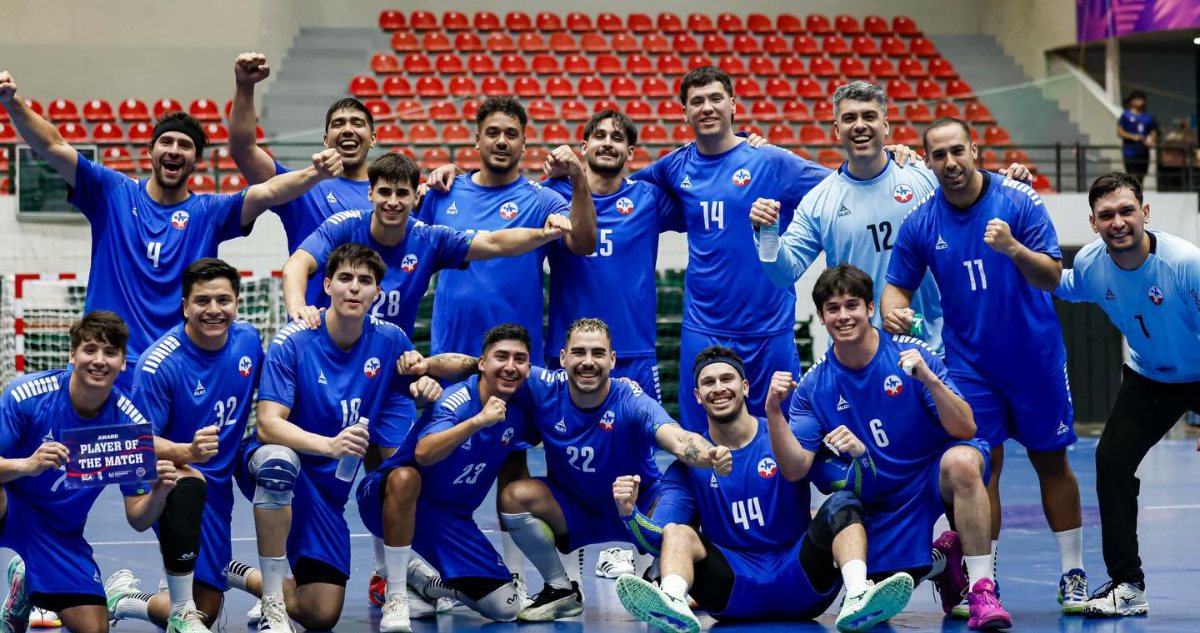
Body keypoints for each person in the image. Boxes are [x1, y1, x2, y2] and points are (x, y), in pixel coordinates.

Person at [0, 70, 344, 391]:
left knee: (173, 457)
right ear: (150, 151)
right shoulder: (112, 192)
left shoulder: (210, 212)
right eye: (167, 142)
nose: (174, 150)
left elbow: (267, 191)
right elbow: (54, 145)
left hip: (177, 372)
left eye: (185, 145)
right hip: (108, 366)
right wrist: (12, 103)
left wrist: (314, 175)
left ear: (196, 161)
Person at [882, 117, 1088, 614]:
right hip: (970, 365)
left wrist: (1013, 248)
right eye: (939, 156)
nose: (950, 163)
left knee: (1051, 461)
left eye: (958, 152)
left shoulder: (1019, 200)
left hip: (1034, 359)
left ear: (974, 150)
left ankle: (1073, 574)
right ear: (927, 162)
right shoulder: (921, 222)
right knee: (981, 467)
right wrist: (892, 310)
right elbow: (896, 287)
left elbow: (1052, 275)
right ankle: (983, 578)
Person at [221, 244, 444, 633]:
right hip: (280, 466)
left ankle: (242, 575)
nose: (354, 288)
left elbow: (419, 385)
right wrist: (329, 445)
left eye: (365, 281)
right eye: (345, 278)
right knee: (278, 462)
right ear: (326, 286)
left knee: (320, 614)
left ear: (378, 292)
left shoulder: (391, 341)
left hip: (328, 496)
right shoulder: (293, 341)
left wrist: (425, 381)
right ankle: (274, 603)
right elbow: (268, 425)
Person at [613, 345, 914, 633]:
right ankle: (673, 601)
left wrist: (861, 457)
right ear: (697, 395)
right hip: (731, 593)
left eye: (726, 378)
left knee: (843, 503)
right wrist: (629, 514)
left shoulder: (786, 438)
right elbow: (658, 540)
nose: (718, 388)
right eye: (708, 382)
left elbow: (855, 490)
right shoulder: (687, 468)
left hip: (803, 581)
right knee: (678, 532)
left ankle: (858, 593)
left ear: (745, 386)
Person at [779, 265, 1007, 630]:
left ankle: (982, 588)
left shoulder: (911, 355)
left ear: (870, 309)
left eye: (852, 305)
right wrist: (774, 411)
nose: (843, 316)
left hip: (933, 472)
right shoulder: (813, 386)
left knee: (963, 461)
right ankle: (940, 561)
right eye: (833, 309)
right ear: (820, 317)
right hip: (881, 496)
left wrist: (930, 379)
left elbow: (966, 427)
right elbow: (796, 468)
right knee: (890, 587)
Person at [752, 80, 1032, 355]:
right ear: (837, 130)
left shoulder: (922, 175)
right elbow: (782, 274)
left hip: (937, 347)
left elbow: (978, 208)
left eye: (869, 116)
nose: (860, 125)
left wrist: (1017, 189)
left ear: (885, 125)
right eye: (849, 118)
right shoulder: (818, 201)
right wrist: (765, 232)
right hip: (862, 357)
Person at [620, 66, 827, 432]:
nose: (707, 107)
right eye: (696, 101)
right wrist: (566, 179)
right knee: (701, 435)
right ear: (684, 113)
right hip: (705, 325)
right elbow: (619, 189)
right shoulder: (675, 165)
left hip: (770, 326)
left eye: (716, 98)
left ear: (733, 105)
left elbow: (842, 184)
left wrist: (887, 157)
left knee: (781, 430)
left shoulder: (771, 160)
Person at [498, 318, 733, 621]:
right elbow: (492, 368)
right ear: (563, 357)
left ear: (612, 359)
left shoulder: (630, 400)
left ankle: (658, 576)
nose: (587, 362)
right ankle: (561, 588)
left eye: (597, 353)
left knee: (685, 492)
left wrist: (711, 456)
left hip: (638, 506)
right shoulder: (544, 387)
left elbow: (677, 438)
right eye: (579, 352)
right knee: (514, 497)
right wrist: (429, 368)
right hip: (572, 508)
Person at [1054, 172, 1200, 618]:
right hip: (1151, 378)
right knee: (1112, 462)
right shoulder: (1090, 264)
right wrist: (1010, 258)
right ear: (1093, 223)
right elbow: (1062, 284)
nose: (1118, 222)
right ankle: (1127, 584)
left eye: (1126, 211)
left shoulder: (1185, 263)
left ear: (1146, 213)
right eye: (1106, 215)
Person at [102, 259, 264, 633]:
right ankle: (124, 599)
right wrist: (184, 453)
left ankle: (220, 570)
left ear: (237, 302)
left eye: (223, 300)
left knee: (207, 609)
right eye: (202, 301)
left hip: (218, 481)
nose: (213, 310)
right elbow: (136, 443)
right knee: (197, 616)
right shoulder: (159, 364)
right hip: (170, 476)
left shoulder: (248, 341)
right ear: (185, 305)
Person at [0, 312, 180, 633]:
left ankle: (25, 584)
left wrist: (160, 492)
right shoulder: (26, 395)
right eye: (90, 350)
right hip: (10, 507)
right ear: (72, 355)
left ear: (123, 362)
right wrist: (26, 465)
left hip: (59, 535)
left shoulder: (128, 425)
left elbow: (138, 518)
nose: (99, 360)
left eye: (110, 352)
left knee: (94, 629)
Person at [356, 324, 541, 631]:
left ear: (529, 367)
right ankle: (396, 595)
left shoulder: (519, 409)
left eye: (519, 359)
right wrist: (477, 422)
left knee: (505, 607)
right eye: (501, 357)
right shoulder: (455, 400)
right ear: (482, 363)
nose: (510, 366)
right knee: (406, 478)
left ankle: (426, 583)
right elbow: (424, 453)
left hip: (451, 519)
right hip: (387, 498)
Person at [416, 96, 596, 363]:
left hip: (517, 361)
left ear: (523, 144)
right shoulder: (442, 193)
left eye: (511, 134)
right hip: (451, 353)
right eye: (492, 133)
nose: (501, 141)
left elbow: (584, 244)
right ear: (478, 140)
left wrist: (578, 176)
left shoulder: (542, 200)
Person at [229, 52, 376, 253]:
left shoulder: (392, 196)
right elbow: (243, 150)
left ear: (373, 138)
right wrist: (245, 87)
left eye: (357, 123)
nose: (348, 130)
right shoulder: (299, 187)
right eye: (338, 124)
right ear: (326, 140)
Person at [1116, 91, 1157, 186]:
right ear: (1132, 101)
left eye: (1142, 99)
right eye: (1137, 99)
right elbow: (1119, 132)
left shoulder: (1148, 117)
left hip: (1143, 151)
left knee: (1141, 176)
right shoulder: (1126, 115)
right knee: (1131, 177)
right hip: (1130, 151)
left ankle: (1139, 194)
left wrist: (1152, 141)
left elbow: (1153, 131)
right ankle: (1132, 194)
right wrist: (1133, 137)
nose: (1140, 102)